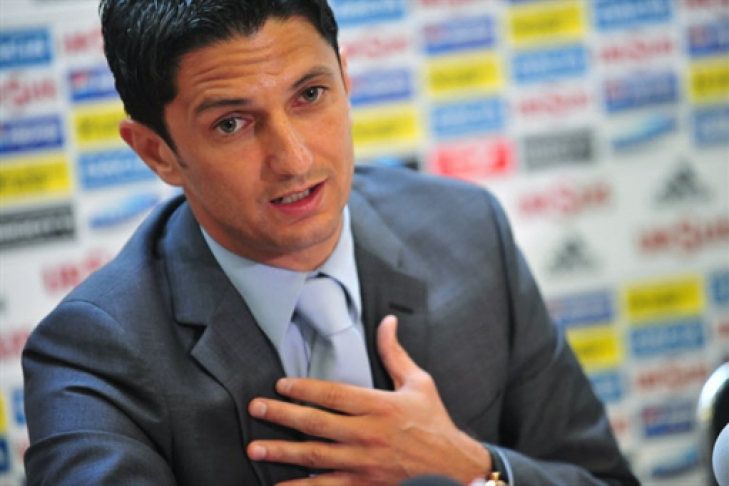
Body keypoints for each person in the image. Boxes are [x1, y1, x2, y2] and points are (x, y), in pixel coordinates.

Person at [21, 1, 640, 485]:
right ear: (157, 152)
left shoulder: (468, 231)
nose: (294, 160)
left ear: (345, 79)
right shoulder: (94, 352)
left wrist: (474, 470)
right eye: (232, 123)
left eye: (310, 95)